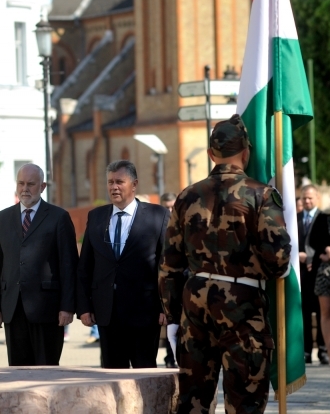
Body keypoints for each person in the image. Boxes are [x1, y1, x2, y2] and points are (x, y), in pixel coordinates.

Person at [160, 115, 291, 413]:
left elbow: (169, 264)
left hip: (194, 305)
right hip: (243, 308)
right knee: (244, 401)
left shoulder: (186, 196)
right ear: (246, 153)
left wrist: (172, 315)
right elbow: (278, 260)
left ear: (210, 154)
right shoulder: (261, 195)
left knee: (192, 401)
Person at [0, 163, 78, 366]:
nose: (25, 188)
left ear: (42, 186)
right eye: (21, 183)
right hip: (12, 308)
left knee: (46, 370)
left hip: (47, 309)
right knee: (17, 372)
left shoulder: (58, 217)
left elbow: (69, 266)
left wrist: (67, 306)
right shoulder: (3, 218)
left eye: (31, 184)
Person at [77, 161, 169, 369]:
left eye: (119, 181)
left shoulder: (158, 215)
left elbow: (166, 266)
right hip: (107, 313)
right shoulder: (96, 217)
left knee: (144, 374)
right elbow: (85, 266)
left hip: (144, 312)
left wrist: (166, 307)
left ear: (134, 184)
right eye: (110, 182)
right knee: (112, 375)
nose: (114, 187)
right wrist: (84, 307)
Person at [308, 193, 330, 366]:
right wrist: (326, 249)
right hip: (324, 271)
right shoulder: (324, 216)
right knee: (326, 311)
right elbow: (313, 240)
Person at [299, 184, 328, 364]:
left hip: (320, 272)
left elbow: (325, 241)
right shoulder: (294, 219)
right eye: (304, 198)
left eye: (310, 198)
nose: (307, 201)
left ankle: (323, 350)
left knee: (322, 311)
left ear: (317, 198)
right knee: (304, 313)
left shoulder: (325, 218)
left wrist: (311, 257)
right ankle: (307, 350)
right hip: (301, 273)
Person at [159, 191, 178, 369]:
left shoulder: (182, 225)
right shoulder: (159, 227)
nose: (170, 210)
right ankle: (169, 357)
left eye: (173, 206)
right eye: (167, 207)